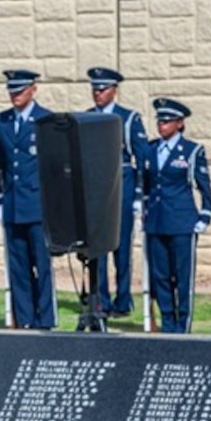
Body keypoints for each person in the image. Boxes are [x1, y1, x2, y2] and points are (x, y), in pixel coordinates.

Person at [142, 97, 211, 333]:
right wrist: (140, 207)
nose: (162, 125)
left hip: (182, 222)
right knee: (160, 277)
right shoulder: (151, 149)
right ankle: (168, 324)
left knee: (183, 278)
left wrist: (205, 215)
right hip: (156, 222)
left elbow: (204, 186)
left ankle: (183, 326)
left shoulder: (192, 151)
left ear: (180, 123)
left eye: (167, 121)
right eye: (160, 121)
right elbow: (147, 185)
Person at [0, 69, 56, 329]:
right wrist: (0, 198)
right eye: (11, 90)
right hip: (13, 204)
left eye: (19, 90)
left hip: (38, 206)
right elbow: (1, 163)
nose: (14, 95)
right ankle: (25, 319)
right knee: (18, 268)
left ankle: (46, 319)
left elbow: (53, 166)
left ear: (33, 89)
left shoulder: (46, 120)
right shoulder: (2, 121)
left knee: (42, 265)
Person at [84, 67, 149, 317]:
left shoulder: (128, 118)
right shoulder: (87, 116)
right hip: (96, 191)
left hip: (122, 186)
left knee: (121, 247)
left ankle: (123, 299)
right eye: (95, 89)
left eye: (102, 89)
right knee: (97, 248)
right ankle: (101, 299)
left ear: (114, 90)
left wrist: (139, 195)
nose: (97, 94)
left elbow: (140, 158)